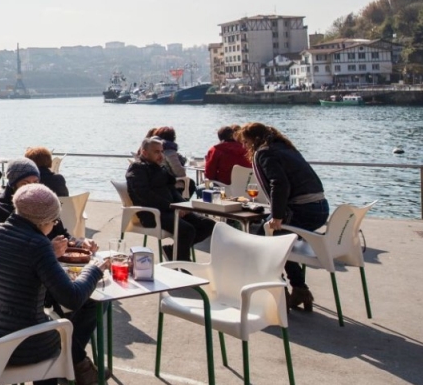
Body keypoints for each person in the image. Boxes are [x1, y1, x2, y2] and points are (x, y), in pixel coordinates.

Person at [0, 183, 107, 385]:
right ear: (44, 221)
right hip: (17, 347)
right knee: (86, 307)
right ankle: (75, 362)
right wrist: (95, 270)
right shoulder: (38, 244)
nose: (55, 226)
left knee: (47, 318)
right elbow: (73, 298)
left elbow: (16, 268)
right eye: (54, 222)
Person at [236, 122, 329, 311]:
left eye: (245, 142)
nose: (244, 147)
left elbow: (279, 183)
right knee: (281, 242)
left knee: (263, 244)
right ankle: (299, 290)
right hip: (319, 208)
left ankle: (279, 295)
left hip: (301, 209)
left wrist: (277, 216)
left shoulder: (264, 152)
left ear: (254, 140)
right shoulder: (285, 148)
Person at [126, 137, 215, 263]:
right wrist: (171, 207)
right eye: (157, 152)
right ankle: (181, 261)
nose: (161, 155)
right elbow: (144, 194)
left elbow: (172, 189)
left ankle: (173, 251)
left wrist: (182, 205)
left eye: (162, 151)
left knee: (209, 225)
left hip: (171, 210)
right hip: (152, 214)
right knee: (187, 230)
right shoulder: (137, 169)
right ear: (145, 153)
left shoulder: (160, 168)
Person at [0, 157, 98, 253]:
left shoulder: (43, 202)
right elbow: (7, 253)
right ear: (12, 185)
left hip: (52, 263)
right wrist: (48, 250)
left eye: (35, 182)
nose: (31, 188)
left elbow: (63, 236)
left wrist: (80, 243)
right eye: (24, 183)